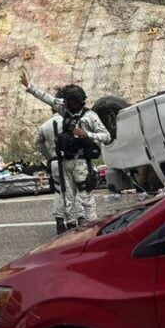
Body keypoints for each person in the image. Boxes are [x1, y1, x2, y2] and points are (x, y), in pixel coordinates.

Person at [38, 84, 111, 228]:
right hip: (65, 162)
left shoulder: (89, 116)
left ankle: (92, 228)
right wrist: (29, 86)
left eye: (71, 101)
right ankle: (72, 229)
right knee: (68, 199)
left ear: (77, 100)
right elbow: (48, 99)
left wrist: (87, 134)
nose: (68, 104)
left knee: (86, 198)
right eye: (66, 101)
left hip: (82, 162)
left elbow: (107, 136)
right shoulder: (65, 112)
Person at [35, 111, 73, 234]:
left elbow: (38, 143)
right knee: (72, 190)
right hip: (69, 160)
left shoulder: (44, 126)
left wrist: (49, 156)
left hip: (55, 162)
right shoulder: (70, 121)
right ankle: (72, 221)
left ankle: (59, 221)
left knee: (58, 191)